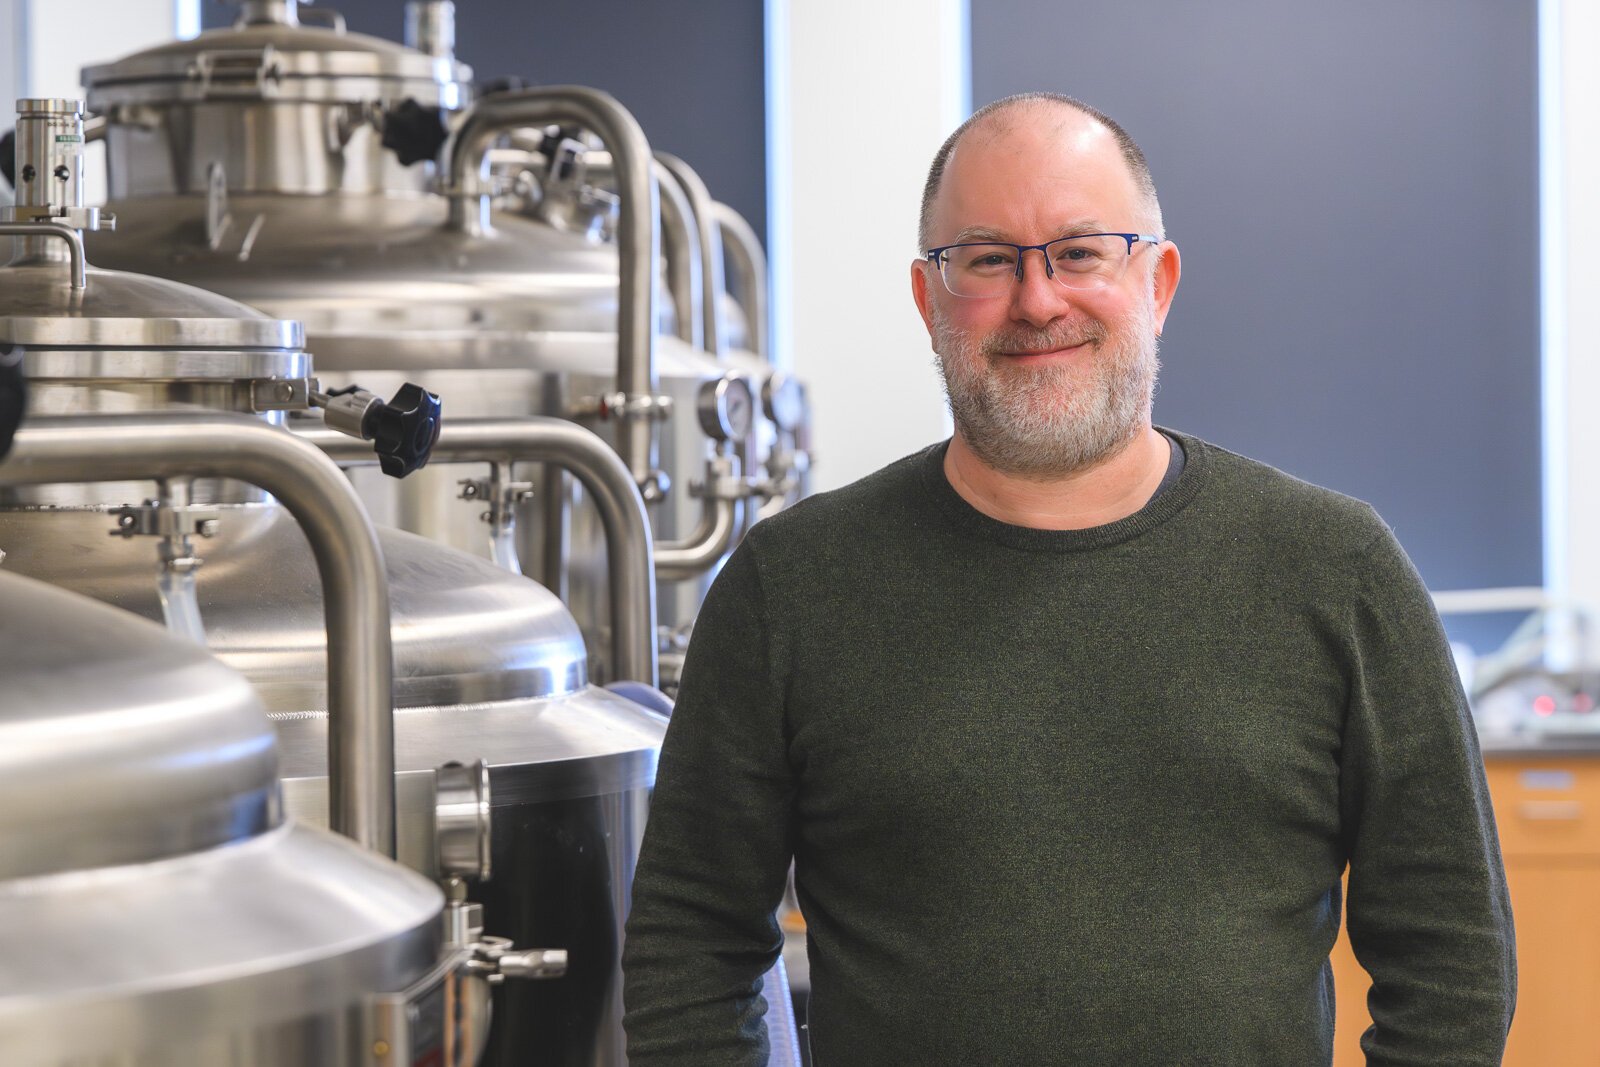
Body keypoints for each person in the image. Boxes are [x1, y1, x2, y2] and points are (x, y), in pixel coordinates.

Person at [622, 92, 1515, 1066]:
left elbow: (1453, 959)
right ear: (929, 300)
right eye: (987, 259)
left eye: (1080, 251)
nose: (1037, 299)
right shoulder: (791, 585)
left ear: (1157, 281)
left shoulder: (1335, 569)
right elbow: (688, 947)